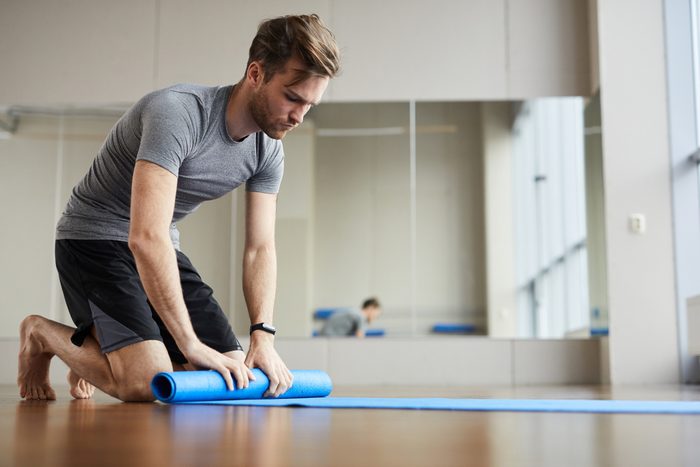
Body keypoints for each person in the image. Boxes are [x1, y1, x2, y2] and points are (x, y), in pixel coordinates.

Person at [17, 14, 340, 402]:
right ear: (255, 73)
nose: (299, 116)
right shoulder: (178, 113)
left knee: (232, 374)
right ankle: (40, 333)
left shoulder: (268, 151)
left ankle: (101, 354)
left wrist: (262, 336)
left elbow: (260, 248)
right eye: (292, 97)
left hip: (159, 244)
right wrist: (188, 342)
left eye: (310, 104)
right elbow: (145, 235)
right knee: (145, 382)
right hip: (94, 238)